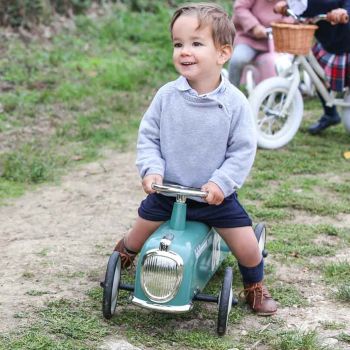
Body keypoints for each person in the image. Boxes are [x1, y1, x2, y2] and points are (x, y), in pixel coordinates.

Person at [113, 2, 277, 316]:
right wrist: (152, 171)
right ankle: (122, 259)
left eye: (196, 43)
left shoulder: (234, 103)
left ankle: (254, 285)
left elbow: (241, 151)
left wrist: (221, 183)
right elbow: (149, 138)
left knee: (245, 245)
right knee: (138, 232)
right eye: (178, 44)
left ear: (223, 54)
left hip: (213, 197)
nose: (184, 51)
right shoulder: (166, 96)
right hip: (169, 192)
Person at [275, 0, 350, 134]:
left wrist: (345, 10)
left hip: (345, 40)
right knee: (313, 70)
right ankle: (330, 114)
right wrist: (286, 5)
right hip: (327, 42)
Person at [228, 0, 291, 88]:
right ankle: (230, 90)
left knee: (291, 62)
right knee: (238, 59)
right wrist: (254, 26)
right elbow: (240, 7)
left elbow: (295, 11)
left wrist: (286, 23)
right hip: (250, 38)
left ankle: (292, 87)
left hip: (278, 39)